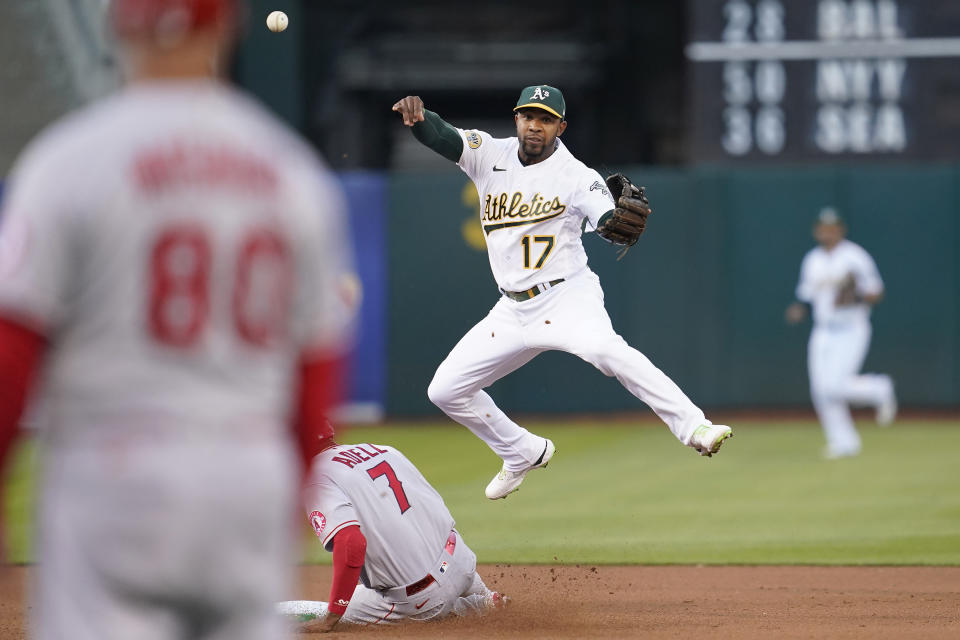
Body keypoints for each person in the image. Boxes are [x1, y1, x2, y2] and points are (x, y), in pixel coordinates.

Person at [0, 1, 354, 638]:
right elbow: (316, 371)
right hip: (245, 472)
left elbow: (11, 352)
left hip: (112, 472)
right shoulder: (290, 171)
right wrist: (279, 499)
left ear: (118, 25)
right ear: (227, 25)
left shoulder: (66, 163)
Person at [391, 86, 733, 501]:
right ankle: (521, 451)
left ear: (561, 127)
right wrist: (420, 118)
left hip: (566, 298)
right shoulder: (489, 154)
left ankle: (693, 426)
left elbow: (609, 216)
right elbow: (445, 137)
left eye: (546, 119)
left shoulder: (577, 176)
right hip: (511, 308)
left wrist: (610, 219)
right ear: (516, 118)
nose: (535, 125)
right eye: (528, 116)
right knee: (444, 390)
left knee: (607, 351)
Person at [280, 431, 505, 633]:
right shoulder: (383, 450)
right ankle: (484, 598)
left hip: (423, 599)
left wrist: (333, 615)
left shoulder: (316, 479)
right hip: (462, 562)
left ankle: (466, 608)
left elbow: (351, 543)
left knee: (327, 611)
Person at [786, 207, 897, 459]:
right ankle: (844, 442)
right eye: (823, 228)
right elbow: (805, 295)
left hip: (851, 328)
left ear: (840, 230)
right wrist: (799, 309)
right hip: (823, 330)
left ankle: (879, 388)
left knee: (834, 386)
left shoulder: (855, 256)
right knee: (820, 390)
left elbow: (876, 292)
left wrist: (855, 294)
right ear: (817, 231)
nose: (827, 233)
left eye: (832, 228)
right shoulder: (812, 259)